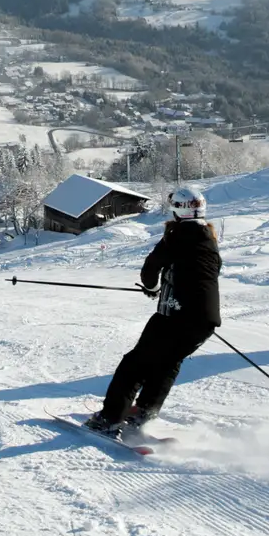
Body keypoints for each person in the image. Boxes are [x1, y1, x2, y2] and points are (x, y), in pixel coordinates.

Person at [85, 185, 221, 437]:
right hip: (205, 321)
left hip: (175, 316)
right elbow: (201, 276)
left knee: (134, 365)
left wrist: (154, 287)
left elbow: (150, 271)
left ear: (176, 209)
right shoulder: (209, 238)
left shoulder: (177, 235)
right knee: (168, 362)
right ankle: (144, 411)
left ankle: (109, 418)